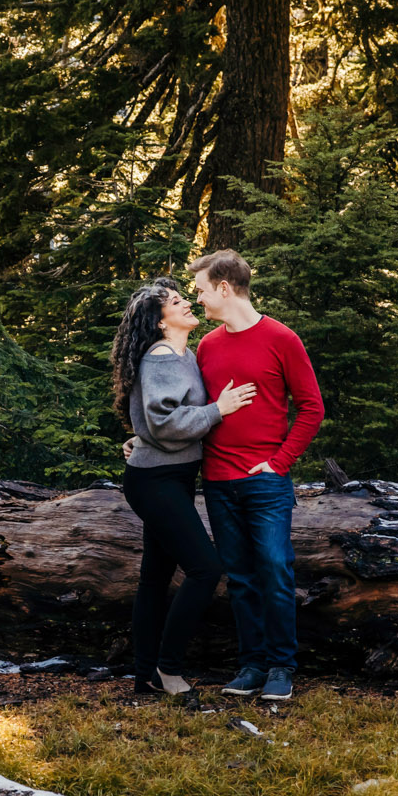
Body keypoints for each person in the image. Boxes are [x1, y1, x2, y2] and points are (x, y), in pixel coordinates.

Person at [112, 278, 257, 695]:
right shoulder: (163, 357)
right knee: (205, 569)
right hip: (155, 480)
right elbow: (164, 422)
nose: (188, 304)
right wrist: (218, 410)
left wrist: (141, 435)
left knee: (154, 578)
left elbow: (151, 420)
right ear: (161, 322)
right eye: (177, 302)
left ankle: (145, 676)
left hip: (168, 476)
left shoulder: (182, 353)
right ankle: (168, 670)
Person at [191, 248, 323, 701]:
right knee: (240, 576)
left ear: (224, 288)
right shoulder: (207, 346)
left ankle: (282, 666)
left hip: (266, 480)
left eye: (203, 291)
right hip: (218, 481)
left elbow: (311, 407)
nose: (199, 301)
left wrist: (280, 463)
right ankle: (251, 666)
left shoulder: (281, 338)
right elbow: (192, 410)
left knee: (274, 569)